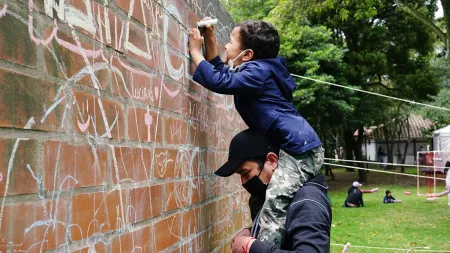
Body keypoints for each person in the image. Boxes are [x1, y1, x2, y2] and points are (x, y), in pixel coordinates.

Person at [189, 19, 324, 246]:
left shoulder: (258, 72)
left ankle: (259, 248)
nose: (226, 46)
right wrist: (209, 38)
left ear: (248, 54)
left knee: (275, 202)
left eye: (230, 41)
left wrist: (195, 51)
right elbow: (222, 71)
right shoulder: (256, 71)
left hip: (300, 150)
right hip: (297, 146)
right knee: (260, 199)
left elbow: (219, 81)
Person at [215, 129, 331, 252]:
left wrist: (250, 246)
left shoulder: (307, 199)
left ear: (271, 160)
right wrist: (252, 231)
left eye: (246, 173)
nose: (243, 182)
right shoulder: (275, 194)